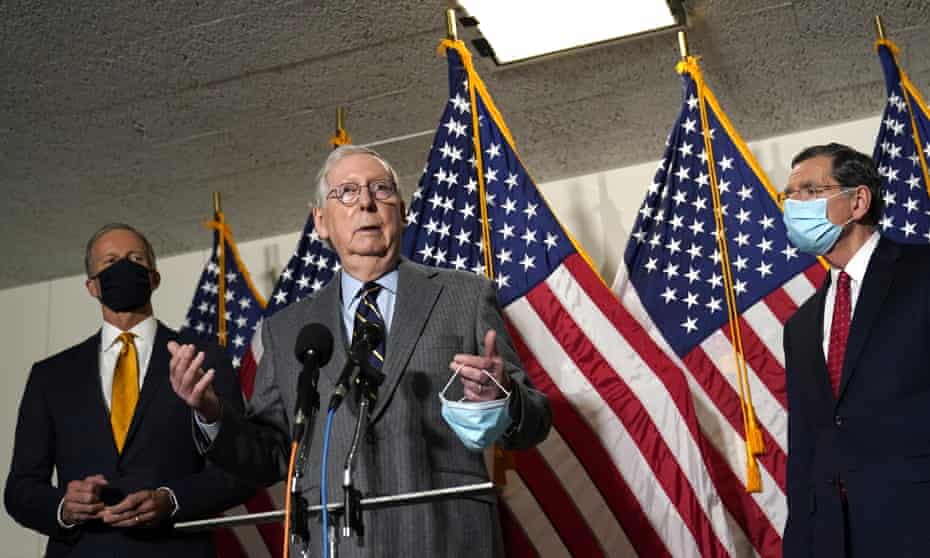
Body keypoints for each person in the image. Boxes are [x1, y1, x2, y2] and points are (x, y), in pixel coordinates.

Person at [169, 145, 552, 557]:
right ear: (320, 221)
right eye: (347, 192)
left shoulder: (466, 297)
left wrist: (502, 399)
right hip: (336, 543)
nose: (367, 202)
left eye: (381, 189)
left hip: (445, 537)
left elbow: (535, 422)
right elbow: (271, 455)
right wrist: (211, 415)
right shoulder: (286, 331)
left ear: (402, 211)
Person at [5, 223, 255, 558]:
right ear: (92, 286)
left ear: (154, 278)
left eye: (135, 259)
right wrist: (63, 506)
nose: (123, 266)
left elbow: (240, 470)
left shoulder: (202, 359)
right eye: (110, 262)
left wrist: (170, 499)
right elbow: (20, 489)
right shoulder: (51, 376)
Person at [781, 143, 930, 557]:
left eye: (810, 191)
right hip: (833, 538)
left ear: (858, 200)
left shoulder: (922, 274)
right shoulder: (800, 325)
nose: (794, 205)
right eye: (789, 196)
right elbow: (806, 448)